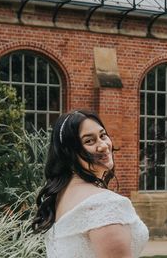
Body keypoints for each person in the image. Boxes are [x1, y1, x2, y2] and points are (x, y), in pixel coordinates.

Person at [32, 110, 149, 258]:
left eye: (103, 135)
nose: (103, 146)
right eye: (89, 141)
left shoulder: (61, 195)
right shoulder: (104, 205)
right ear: (69, 152)